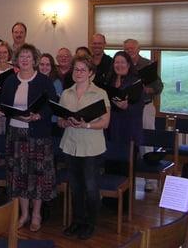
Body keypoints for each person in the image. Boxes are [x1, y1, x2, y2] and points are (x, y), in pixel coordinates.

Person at [0, 44, 57, 232]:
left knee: (38, 176)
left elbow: (51, 105)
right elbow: (4, 106)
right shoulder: (9, 81)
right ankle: (24, 214)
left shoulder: (44, 81)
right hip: (15, 135)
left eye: (28, 56)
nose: (24, 60)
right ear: (17, 60)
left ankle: (36, 214)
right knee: (19, 176)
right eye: (21, 56)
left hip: (38, 135)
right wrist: (15, 115)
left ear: (35, 60)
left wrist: (37, 116)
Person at [58, 54, 110, 240]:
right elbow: (60, 120)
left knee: (90, 187)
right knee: (75, 187)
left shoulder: (100, 94)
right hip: (71, 145)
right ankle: (77, 221)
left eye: (82, 70)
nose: (78, 72)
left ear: (91, 74)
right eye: (76, 69)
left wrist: (86, 125)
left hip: (91, 147)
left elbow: (105, 122)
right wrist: (65, 122)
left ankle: (90, 223)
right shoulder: (66, 93)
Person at [124, 38, 164, 192]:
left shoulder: (147, 65)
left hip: (145, 107)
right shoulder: (121, 64)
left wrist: (149, 90)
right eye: (126, 48)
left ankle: (150, 180)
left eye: (132, 48)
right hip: (126, 109)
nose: (129, 51)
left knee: (146, 142)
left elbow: (159, 86)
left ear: (138, 49)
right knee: (127, 142)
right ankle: (127, 176)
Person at [105, 51, 144, 146]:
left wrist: (127, 107)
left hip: (129, 127)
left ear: (128, 64)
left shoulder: (136, 81)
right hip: (112, 126)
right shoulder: (109, 81)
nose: (119, 65)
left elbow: (139, 107)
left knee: (128, 158)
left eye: (122, 62)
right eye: (116, 62)